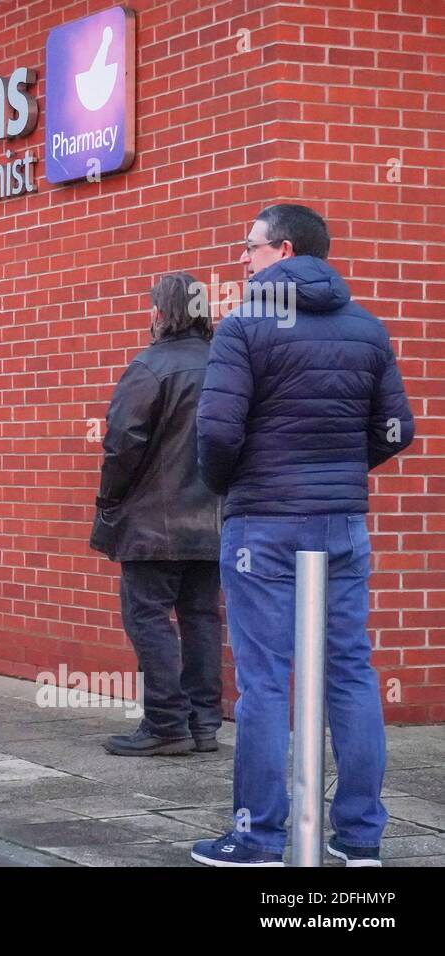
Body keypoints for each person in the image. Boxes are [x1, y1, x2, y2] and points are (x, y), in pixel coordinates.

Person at [191, 204, 414, 868]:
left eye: (249, 247)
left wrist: (231, 484)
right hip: (342, 522)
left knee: (264, 680)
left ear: (282, 251)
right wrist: (342, 470)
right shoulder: (366, 328)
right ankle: (361, 837)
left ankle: (257, 837)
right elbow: (398, 429)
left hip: (263, 523)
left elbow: (217, 433)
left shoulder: (245, 327)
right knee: (350, 671)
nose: (242, 258)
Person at [89, 273, 223, 757]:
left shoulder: (150, 367)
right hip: (215, 519)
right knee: (202, 618)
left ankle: (167, 722)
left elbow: (122, 444)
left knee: (147, 618)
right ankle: (204, 721)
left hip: (152, 523)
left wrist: (109, 501)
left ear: (161, 313)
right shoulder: (227, 364)